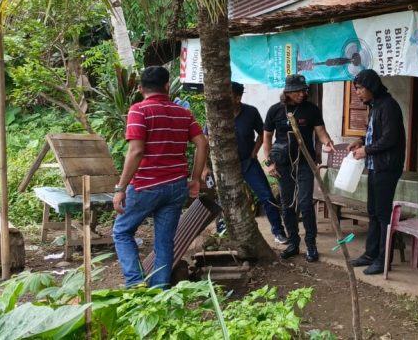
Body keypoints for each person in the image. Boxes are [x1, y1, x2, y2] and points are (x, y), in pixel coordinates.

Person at [112, 66, 208, 289]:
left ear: (140, 88)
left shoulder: (139, 110)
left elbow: (136, 151)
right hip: (176, 186)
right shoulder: (183, 113)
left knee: (122, 231)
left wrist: (120, 188)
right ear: (167, 87)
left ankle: (136, 286)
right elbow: (202, 143)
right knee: (165, 242)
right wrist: (195, 179)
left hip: (146, 185)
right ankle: (160, 291)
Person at [262, 74, 335, 262]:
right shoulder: (275, 110)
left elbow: (321, 132)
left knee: (305, 203)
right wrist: (269, 163)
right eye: (299, 91)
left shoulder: (311, 109)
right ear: (288, 92)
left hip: (305, 163)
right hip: (283, 165)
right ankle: (293, 243)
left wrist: (327, 142)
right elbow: (267, 137)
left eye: (304, 90)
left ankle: (311, 244)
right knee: (287, 205)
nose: (303, 94)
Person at [204, 82, 288, 244]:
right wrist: (205, 167)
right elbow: (206, 141)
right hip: (225, 166)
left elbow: (263, 134)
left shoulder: (251, 112)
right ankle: (222, 233)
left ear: (238, 98)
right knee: (224, 199)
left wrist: (254, 152)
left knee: (266, 196)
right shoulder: (217, 113)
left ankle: (278, 231)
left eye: (228, 95)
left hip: (248, 163)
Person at [346, 69, 406, 275]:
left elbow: (390, 138)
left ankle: (383, 259)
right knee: (372, 211)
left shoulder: (389, 106)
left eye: (360, 88)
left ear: (371, 87)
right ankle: (370, 254)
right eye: (356, 89)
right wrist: (361, 141)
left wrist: (367, 150)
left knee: (383, 215)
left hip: (386, 167)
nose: (357, 93)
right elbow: (375, 134)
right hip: (375, 166)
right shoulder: (375, 106)